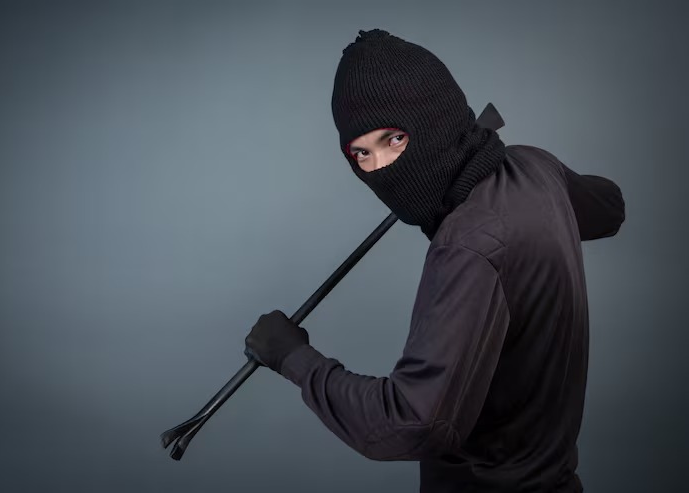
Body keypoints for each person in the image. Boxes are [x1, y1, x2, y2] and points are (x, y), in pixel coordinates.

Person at [244, 29, 625, 492]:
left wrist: (293, 358)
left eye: (395, 138)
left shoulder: (466, 248)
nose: (381, 167)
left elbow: (409, 422)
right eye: (361, 153)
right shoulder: (535, 168)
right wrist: (505, 167)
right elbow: (609, 208)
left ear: (437, 119)